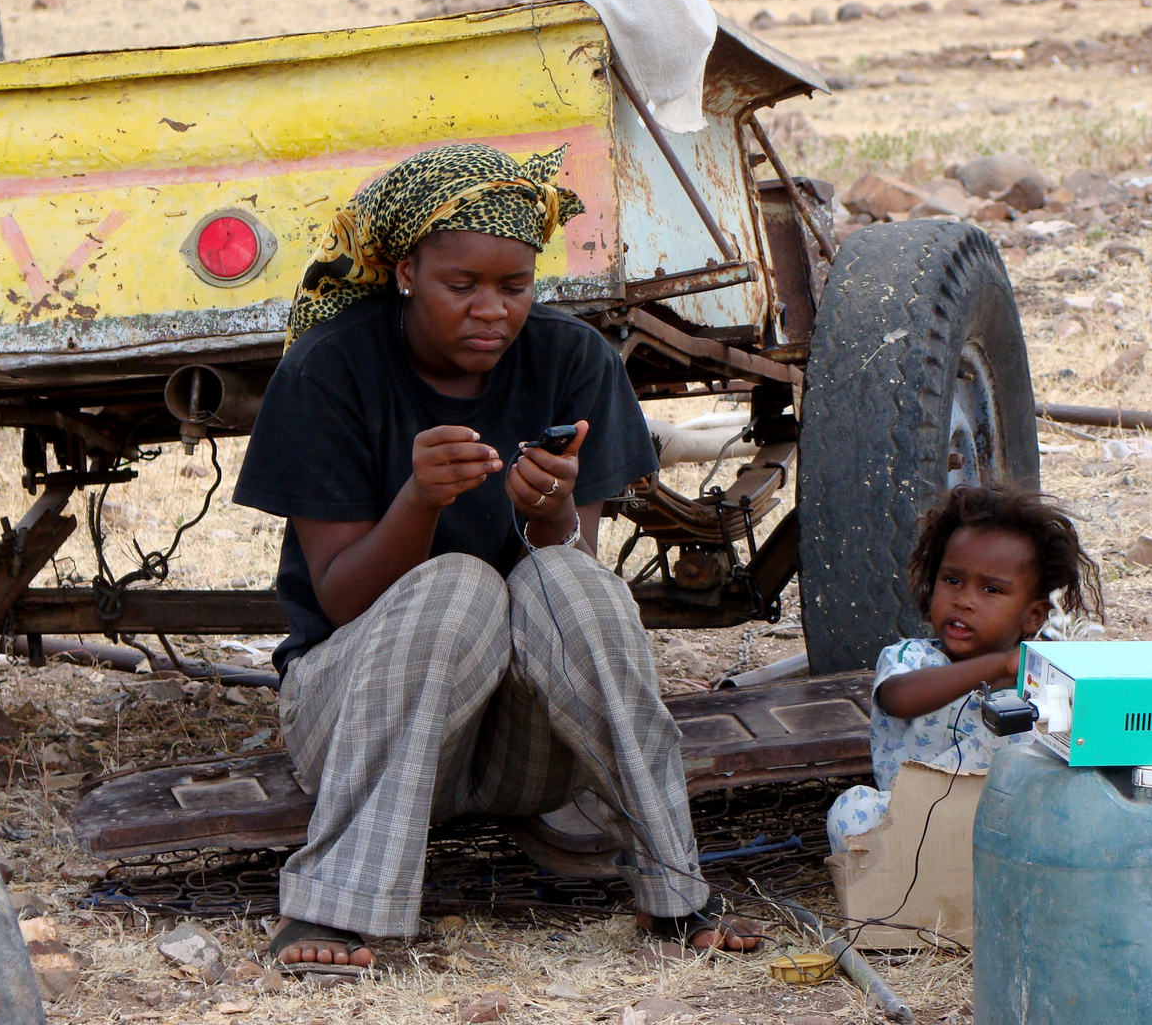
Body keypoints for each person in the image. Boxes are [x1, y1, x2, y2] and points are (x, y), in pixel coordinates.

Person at [233, 142, 759, 970]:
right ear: (406, 272)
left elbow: (568, 578)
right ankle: (333, 912)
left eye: (515, 288)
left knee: (568, 581)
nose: (493, 311)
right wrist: (418, 502)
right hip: (358, 721)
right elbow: (337, 601)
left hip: (526, 747)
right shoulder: (330, 368)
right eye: (462, 286)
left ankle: (676, 890)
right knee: (458, 585)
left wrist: (548, 509)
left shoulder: (572, 359)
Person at [826, 484, 1103, 853]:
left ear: (1033, 614)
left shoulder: (1040, 676)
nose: (964, 600)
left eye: (991, 590)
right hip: (911, 824)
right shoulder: (911, 657)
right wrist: (999, 665)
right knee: (850, 809)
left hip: (1004, 826)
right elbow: (897, 699)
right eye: (952, 580)